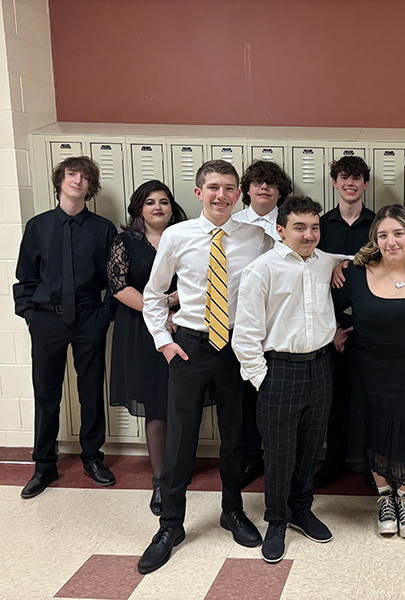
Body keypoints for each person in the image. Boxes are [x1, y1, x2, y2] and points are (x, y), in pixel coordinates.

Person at [138, 160, 273, 574]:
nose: (221, 195)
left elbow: (291, 264)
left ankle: (232, 511)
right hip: (191, 347)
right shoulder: (178, 236)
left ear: (239, 194)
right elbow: (154, 294)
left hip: (234, 347)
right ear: (199, 193)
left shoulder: (256, 236)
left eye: (229, 188)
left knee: (235, 435)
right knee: (180, 439)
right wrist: (165, 342)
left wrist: (339, 262)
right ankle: (170, 525)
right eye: (213, 187)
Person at [233, 196, 342, 563]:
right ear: (280, 231)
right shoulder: (261, 270)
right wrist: (264, 380)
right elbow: (245, 335)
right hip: (280, 370)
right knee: (280, 455)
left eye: (314, 227)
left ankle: (301, 508)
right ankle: (276, 520)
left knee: (311, 449)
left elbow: (354, 259)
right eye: (299, 227)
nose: (308, 234)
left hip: (321, 367)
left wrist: (344, 262)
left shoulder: (325, 261)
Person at [14, 156, 117, 499]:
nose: (78, 180)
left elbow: (114, 280)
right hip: (47, 320)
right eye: (72, 174)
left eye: (85, 177)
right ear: (60, 181)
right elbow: (25, 278)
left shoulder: (103, 229)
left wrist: (105, 315)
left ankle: (92, 457)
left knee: (91, 391)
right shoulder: (38, 226)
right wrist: (30, 314)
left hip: (89, 317)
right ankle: (44, 465)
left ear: (91, 187)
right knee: (46, 394)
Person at [333, 204, 405, 538]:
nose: (391, 241)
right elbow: (323, 305)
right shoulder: (355, 272)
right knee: (375, 427)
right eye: (382, 235)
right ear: (374, 239)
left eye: (397, 233)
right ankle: (384, 497)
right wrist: (335, 331)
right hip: (369, 365)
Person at [107, 180, 187, 515]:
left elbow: (200, 279)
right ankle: (160, 481)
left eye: (164, 202)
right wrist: (158, 311)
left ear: (172, 208)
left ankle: (179, 472)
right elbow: (118, 285)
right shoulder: (125, 242)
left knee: (181, 402)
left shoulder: (185, 238)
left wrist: (172, 307)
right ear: (139, 208)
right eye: (150, 202)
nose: (158, 207)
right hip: (140, 331)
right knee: (155, 405)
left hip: (182, 325)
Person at [314, 155, 376, 489]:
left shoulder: (378, 224)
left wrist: (345, 263)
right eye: (343, 177)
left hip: (370, 327)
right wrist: (333, 327)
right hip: (331, 328)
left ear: (365, 183)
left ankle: (367, 463)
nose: (350, 183)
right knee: (333, 399)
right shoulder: (321, 226)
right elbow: (310, 277)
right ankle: (335, 460)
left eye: (356, 178)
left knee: (367, 397)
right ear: (335, 182)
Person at [233, 160, 293, 489]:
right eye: (258, 183)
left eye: (271, 183)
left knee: (278, 398)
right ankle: (249, 458)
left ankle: (279, 459)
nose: (265, 188)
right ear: (247, 190)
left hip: (280, 324)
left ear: (280, 191)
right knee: (244, 396)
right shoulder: (233, 223)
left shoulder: (289, 225)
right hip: (242, 321)